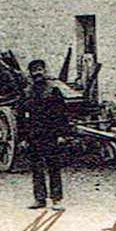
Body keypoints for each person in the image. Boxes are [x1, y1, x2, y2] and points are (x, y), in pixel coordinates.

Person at [23, 59, 72, 210]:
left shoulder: (54, 90)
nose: (38, 73)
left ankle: (56, 199)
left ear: (45, 71)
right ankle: (39, 199)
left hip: (51, 134)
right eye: (34, 70)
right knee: (36, 168)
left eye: (40, 69)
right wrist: (24, 137)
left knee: (54, 166)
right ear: (30, 73)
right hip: (34, 135)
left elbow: (62, 114)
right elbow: (21, 117)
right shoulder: (27, 92)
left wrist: (61, 134)